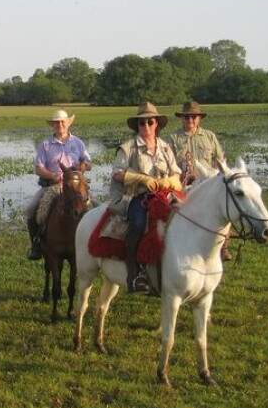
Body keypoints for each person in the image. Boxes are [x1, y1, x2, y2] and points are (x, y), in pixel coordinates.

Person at [109, 102, 182, 293]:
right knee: (139, 225)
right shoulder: (128, 148)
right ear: (138, 125)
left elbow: (177, 174)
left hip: (165, 196)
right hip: (138, 197)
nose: (147, 126)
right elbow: (117, 173)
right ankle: (135, 272)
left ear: (156, 123)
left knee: (186, 218)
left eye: (150, 122)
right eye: (142, 123)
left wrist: (168, 181)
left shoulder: (165, 148)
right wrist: (141, 178)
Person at [166, 100, 230, 260]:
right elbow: (167, 164)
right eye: (187, 117)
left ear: (199, 118)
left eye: (194, 117)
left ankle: (223, 246)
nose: (190, 120)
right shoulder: (173, 138)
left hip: (208, 184)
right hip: (184, 185)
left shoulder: (209, 136)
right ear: (182, 118)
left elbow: (220, 160)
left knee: (226, 207)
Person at [26, 109, 91, 260]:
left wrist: (83, 166)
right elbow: (38, 168)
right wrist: (52, 175)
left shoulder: (78, 142)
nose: (59, 125)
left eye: (62, 122)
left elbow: (88, 162)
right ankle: (36, 244)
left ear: (68, 123)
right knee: (31, 210)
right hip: (52, 186)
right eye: (56, 122)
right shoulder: (45, 145)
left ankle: (91, 244)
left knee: (95, 208)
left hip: (75, 187)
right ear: (53, 125)